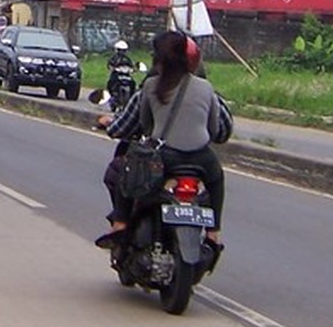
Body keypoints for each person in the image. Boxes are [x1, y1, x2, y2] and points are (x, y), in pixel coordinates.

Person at [95, 28, 232, 250]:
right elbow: (216, 129)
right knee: (216, 181)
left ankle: (120, 225)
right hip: (201, 159)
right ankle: (214, 233)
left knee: (123, 170)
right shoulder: (206, 88)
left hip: (163, 158)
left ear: (157, 59)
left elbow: (143, 126)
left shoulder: (150, 86)